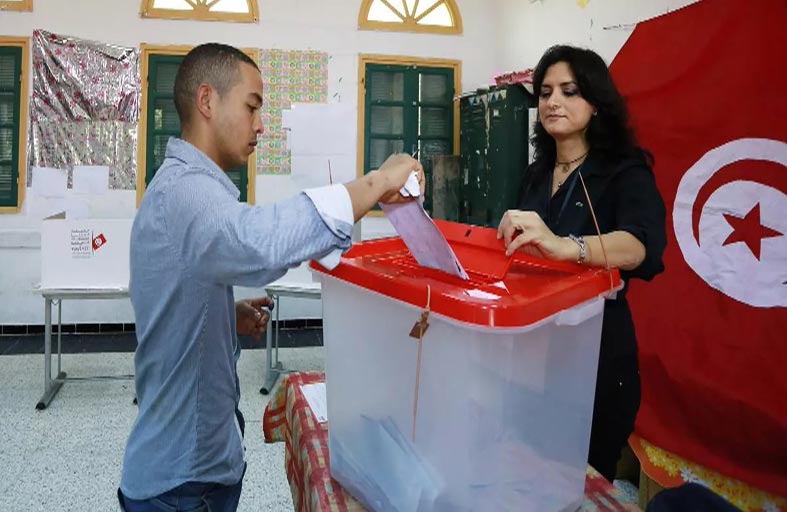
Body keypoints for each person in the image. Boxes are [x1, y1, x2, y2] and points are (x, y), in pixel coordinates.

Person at [118, 43, 424, 511]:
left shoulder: (183, 189)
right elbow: (261, 241)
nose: (261, 124)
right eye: (252, 106)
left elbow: (174, 291)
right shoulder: (186, 193)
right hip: (181, 484)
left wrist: (225, 315)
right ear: (207, 100)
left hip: (196, 466)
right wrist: (378, 182)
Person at [497, 45, 667, 481]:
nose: (553, 102)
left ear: (596, 103)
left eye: (569, 91)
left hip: (595, 356)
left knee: (580, 483)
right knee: (523, 472)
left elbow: (640, 246)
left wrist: (566, 246)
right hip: (533, 349)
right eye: (545, 92)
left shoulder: (624, 171)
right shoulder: (537, 172)